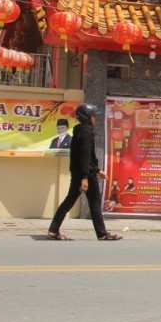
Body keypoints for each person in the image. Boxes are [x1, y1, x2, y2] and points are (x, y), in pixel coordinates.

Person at [46, 103, 122, 241]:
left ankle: (53, 230)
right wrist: (85, 177)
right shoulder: (87, 132)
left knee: (69, 201)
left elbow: (85, 156)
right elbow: (85, 156)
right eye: (93, 116)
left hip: (79, 173)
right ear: (87, 117)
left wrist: (98, 170)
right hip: (85, 175)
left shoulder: (79, 129)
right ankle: (102, 234)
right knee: (94, 203)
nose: (95, 118)